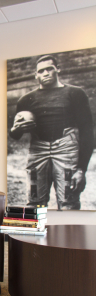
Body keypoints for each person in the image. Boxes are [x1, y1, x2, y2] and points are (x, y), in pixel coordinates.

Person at [10, 54, 94, 210]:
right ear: (36, 75)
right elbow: (15, 134)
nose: (45, 73)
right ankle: (34, 234)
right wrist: (16, 129)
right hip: (38, 150)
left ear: (58, 70)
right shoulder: (26, 100)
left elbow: (87, 131)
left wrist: (82, 168)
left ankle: (70, 234)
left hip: (66, 149)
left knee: (69, 201)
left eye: (50, 69)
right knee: (34, 202)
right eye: (41, 71)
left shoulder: (75, 93)